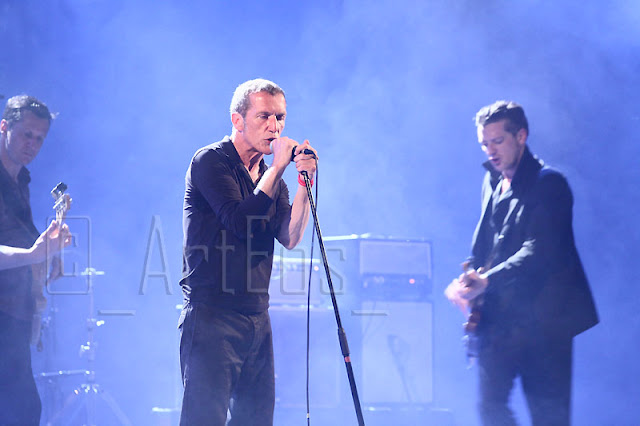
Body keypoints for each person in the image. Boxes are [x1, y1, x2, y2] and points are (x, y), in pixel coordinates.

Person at [445, 100, 598, 426]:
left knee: (549, 418)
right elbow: (486, 245)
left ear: (521, 136)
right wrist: (467, 281)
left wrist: (487, 280)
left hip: (545, 323)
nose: (490, 151)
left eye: (497, 141)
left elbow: (540, 250)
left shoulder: (550, 184)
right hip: (500, 319)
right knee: (490, 408)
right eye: (485, 144)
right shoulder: (491, 181)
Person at [178, 78, 317, 425]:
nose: (275, 126)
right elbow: (240, 222)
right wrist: (279, 168)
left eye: (280, 117)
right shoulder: (210, 162)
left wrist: (304, 185)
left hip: (256, 317)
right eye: (264, 116)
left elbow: (289, 236)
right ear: (237, 120)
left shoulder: (271, 179)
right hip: (211, 317)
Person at [0, 95, 71, 425]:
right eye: (26, 134)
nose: (32, 144)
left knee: (25, 410)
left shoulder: (21, 179)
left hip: (14, 314)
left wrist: (48, 253)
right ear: (4, 126)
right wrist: (33, 254)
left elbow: (15, 239)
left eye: (39, 139)